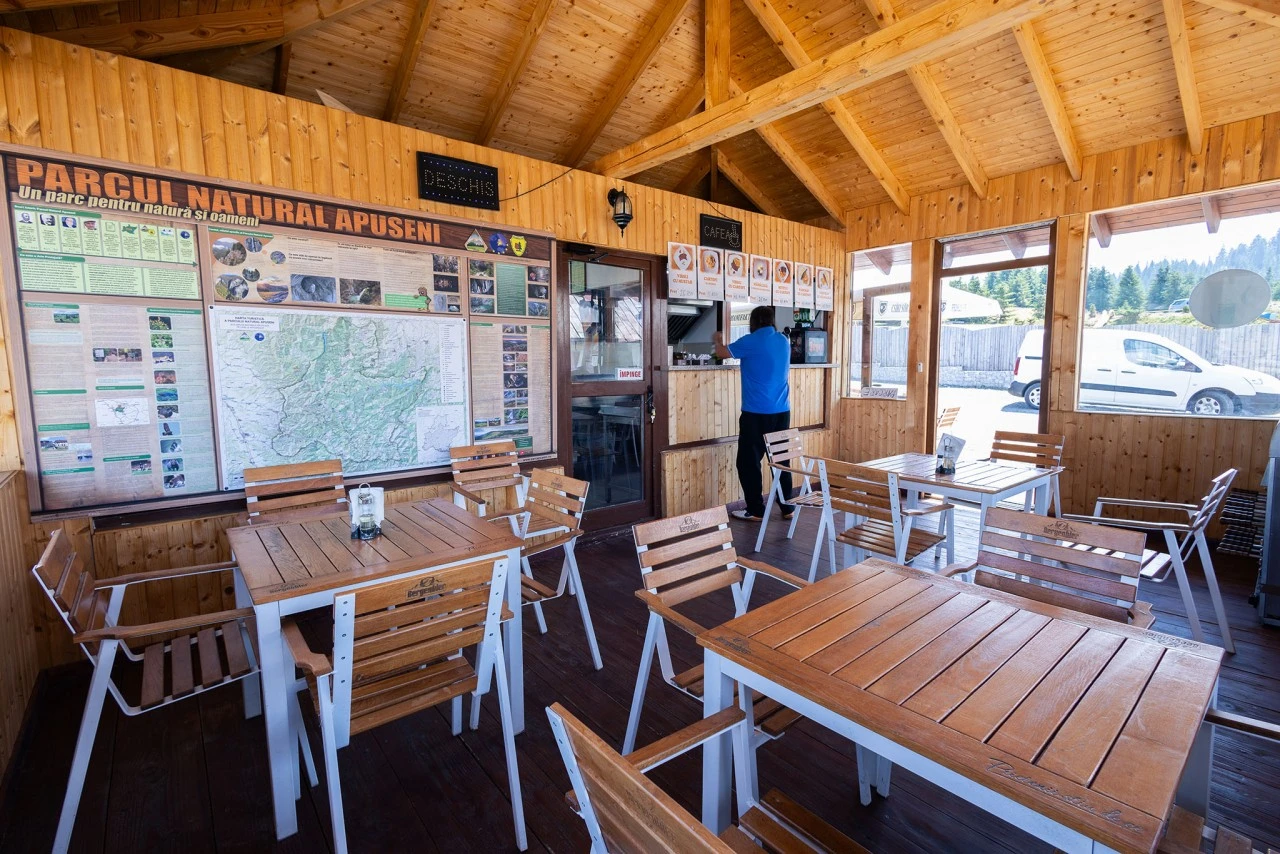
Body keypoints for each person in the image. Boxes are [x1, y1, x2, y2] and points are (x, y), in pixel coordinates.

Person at [713, 306, 792, 522]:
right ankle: (788, 507)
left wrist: (718, 339)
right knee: (780, 460)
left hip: (756, 413)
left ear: (754, 322)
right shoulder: (783, 340)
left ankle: (756, 509)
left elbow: (721, 353)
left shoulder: (751, 341)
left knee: (748, 462)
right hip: (782, 411)